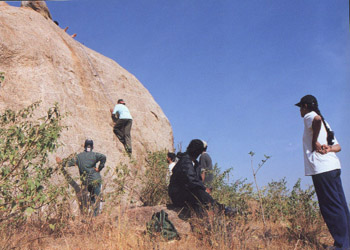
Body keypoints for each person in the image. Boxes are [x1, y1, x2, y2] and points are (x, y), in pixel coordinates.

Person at [295, 95, 350, 249]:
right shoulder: (327, 123)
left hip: (322, 169)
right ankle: (346, 243)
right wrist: (329, 148)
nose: (300, 110)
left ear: (305, 106)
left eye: (301, 107)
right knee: (341, 206)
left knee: (331, 207)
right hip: (333, 166)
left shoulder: (310, 116)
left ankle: (341, 246)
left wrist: (314, 143)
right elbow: (338, 147)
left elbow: (316, 119)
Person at [168, 139, 226, 217]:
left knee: (199, 201)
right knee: (197, 191)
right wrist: (203, 189)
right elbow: (192, 180)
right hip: (177, 194)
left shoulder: (195, 163)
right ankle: (220, 208)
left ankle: (217, 210)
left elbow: (196, 180)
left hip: (185, 192)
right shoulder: (185, 161)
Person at [56, 139, 106, 216]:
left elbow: (67, 163)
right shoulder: (95, 155)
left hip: (86, 182)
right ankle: (95, 217)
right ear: (93, 146)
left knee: (88, 200)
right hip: (96, 180)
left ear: (84, 146)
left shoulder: (78, 157)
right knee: (96, 199)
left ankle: (88, 216)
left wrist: (60, 162)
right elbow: (103, 157)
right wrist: (100, 168)